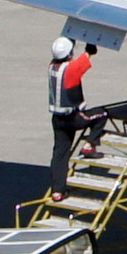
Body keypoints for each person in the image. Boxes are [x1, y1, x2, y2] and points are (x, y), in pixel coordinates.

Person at [48, 34, 97, 175]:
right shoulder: (72, 69)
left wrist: (71, 36)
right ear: (69, 54)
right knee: (102, 115)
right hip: (73, 118)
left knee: (60, 154)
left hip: (57, 119)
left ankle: (58, 191)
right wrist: (90, 47)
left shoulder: (52, 66)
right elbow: (88, 54)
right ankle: (90, 145)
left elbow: (65, 53)